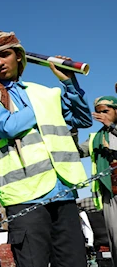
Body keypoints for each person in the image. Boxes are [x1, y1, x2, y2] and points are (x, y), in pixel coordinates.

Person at [0, 31, 92, 267]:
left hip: (62, 190)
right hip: (25, 200)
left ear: (19, 57)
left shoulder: (43, 92)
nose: (0, 62)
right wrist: (50, 101)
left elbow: (83, 119)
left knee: (74, 262)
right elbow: (8, 126)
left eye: (5, 54)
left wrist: (67, 82)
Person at [73, 95, 117, 264]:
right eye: (99, 113)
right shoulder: (95, 138)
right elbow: (76, 152)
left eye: (106, 111)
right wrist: (73, 129)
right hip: (110, 195)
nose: (102, 116)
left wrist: (112, 126)